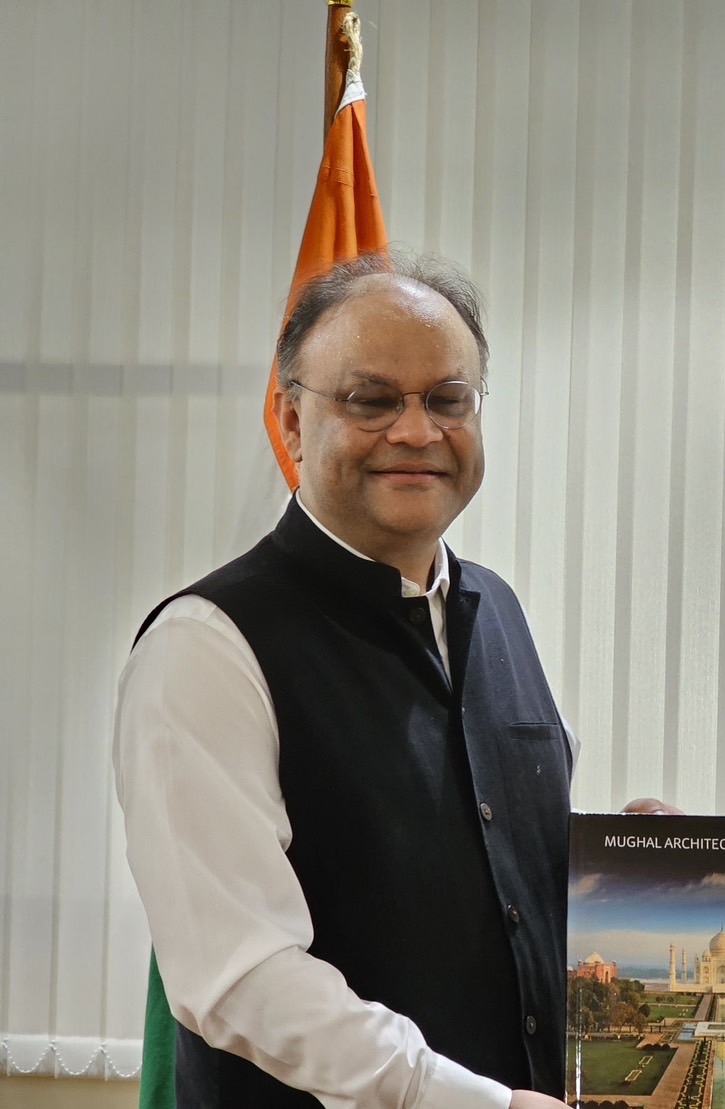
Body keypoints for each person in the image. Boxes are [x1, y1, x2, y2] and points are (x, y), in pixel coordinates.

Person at [115, 252, 580, 1108]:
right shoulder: (208, 645)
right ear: (291, 422)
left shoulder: (497, 609)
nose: (416, 431)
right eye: (372, 400)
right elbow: (239, 976)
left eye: (449, 398)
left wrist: (644, 857)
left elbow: (499, 870)